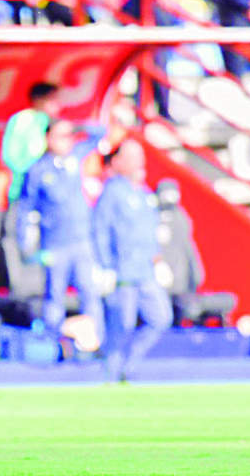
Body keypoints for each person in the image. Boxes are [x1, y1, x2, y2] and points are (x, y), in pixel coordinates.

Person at [18, 118, 106, 350]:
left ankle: (95, 348)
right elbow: (25, 208)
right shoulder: (37, 170)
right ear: (47, 138)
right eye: (59, 136)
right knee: (54, 297)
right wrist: (25, 243)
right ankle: (54, 346)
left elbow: (100, 133)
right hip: (54, 245)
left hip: (82, 242)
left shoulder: (74, 158)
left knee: (90, 295)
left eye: (68, 136)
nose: (65, 141)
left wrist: (78, 128)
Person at [93, 140, 171, 381]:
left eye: (140, 155)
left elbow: (149, 233)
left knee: (161, 318)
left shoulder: (146, 194)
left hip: (145, 271)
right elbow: (100, 230)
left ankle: (130, 365)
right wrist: (105, 267)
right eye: (131, 156)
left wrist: (158, 261)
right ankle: (110, 376)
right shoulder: (113, 192)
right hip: (122, 272)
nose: (139, 160)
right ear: (117, 161)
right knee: (121, 326)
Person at [2, 82, 62, 202]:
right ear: (39, 99)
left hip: (48, 196)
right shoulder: (24, 120)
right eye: (53, 99)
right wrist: (33, 173)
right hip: (24, 193)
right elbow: (12, 157)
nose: (58, 104)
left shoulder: (55, 123)